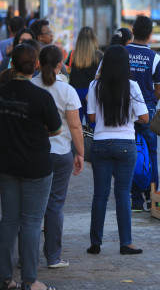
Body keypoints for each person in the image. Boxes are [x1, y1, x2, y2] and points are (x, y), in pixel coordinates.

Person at [0, 43, 62, 290]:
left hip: (7, 165)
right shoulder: (41, 96)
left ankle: (5, 278)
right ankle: (29, 280)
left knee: (9, 221)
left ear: (11, 64)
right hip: (36, 167)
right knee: (32, 223)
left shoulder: (1, 92)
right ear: (35, 65)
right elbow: (56, 129)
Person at [86, 45, 148, 256]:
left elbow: (91, 119)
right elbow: (145, 118)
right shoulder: (132, 87)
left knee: (100, 195)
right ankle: (126, 243)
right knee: (123, 194)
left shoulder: (95, 85)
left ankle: (95, 242)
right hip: (125, 145)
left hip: (101, 144)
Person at [32, 45, 85, 269]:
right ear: (59, 64)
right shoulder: (66, 90)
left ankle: (28, 258)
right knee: (54, 206)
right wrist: (80, 153)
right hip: (61, 153)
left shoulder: (30, 86)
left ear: (38, 63)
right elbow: (75, 126)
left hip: (34, 155)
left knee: (32, 208)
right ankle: (53, 257)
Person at [125, 15, 160, 211]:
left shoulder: (122, 53)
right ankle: (153, 198)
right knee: (151, 155)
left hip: (125, 112)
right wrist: (151, 104)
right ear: (150, 35)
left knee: (130, 154)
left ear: (132, 31)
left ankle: (135, 200)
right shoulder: (156, 59)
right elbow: (158, 89)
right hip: (147, 112)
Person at [65, 27, 103, 123]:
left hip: (74, 92)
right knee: (92, 124)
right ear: (94, 39)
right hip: (91, 93)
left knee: (75, 125)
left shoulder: (72, 54)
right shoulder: (99, 56)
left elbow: (65, 71)